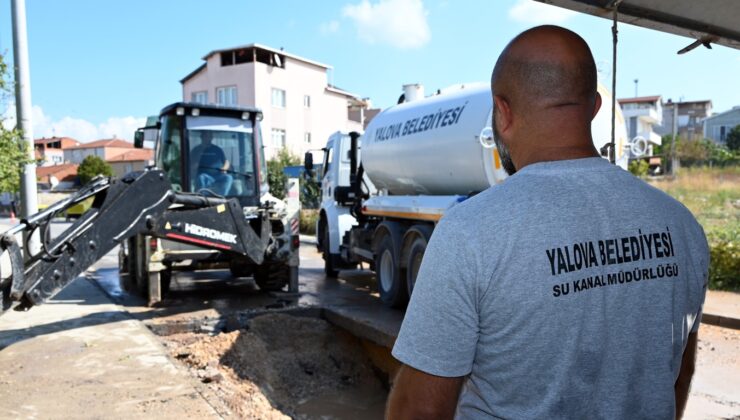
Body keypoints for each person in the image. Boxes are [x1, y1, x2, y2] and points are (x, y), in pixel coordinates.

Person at [387, 25, 709, 419]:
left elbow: (419, 410)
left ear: (502, 112)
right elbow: (678, 373)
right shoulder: (682, 227)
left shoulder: (471, 233)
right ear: (593, 106)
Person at [194, 131, 233, 196]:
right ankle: (203, 198)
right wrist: (202, 150)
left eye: (210, 136)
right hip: (205, 175)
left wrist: (224, 168)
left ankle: (221, 198)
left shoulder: (217, 149)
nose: (208, 138)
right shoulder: (196, 149)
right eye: (206, 136)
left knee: (229, 178)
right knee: (201, 178)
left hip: (218, 175)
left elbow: (226, 161)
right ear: (202, 137)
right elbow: (192, 165)